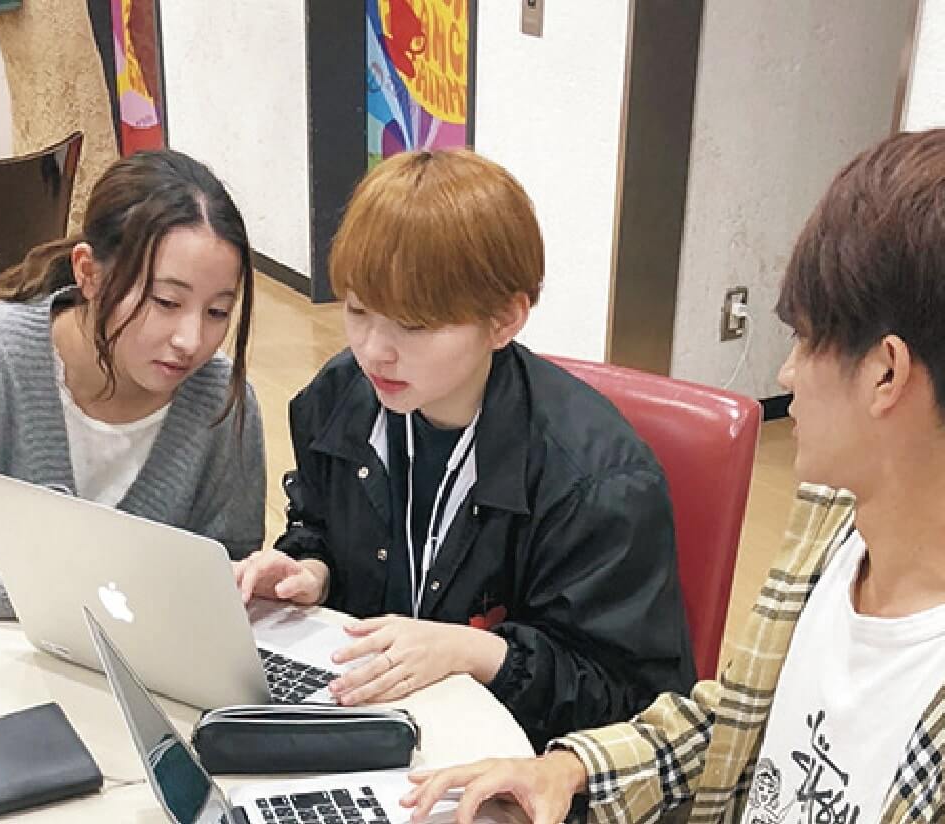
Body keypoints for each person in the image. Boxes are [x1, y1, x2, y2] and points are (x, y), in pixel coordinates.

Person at [403, 128, 945, 824]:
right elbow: (741, 720)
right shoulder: (835, 520)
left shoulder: (591, 467)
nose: (786, 374)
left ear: (886, 374)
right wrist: (567, 770)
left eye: (806, 339)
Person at [235, 148, 695, 750]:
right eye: (358, 310)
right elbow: (320, 523)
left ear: (504, 320)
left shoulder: (596, 481)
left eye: (414, 325)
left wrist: (477, 652)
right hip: (376, 715)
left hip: (512, 759)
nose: (374, 350)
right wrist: (310, 570)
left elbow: (634, 702)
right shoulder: (340, 397)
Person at [0, 149, 265, 619]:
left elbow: (229, 569)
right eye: (165, 302)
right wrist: (74, 571)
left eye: (218, 312)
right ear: (88, 272)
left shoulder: (223, 402)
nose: (191, 340)